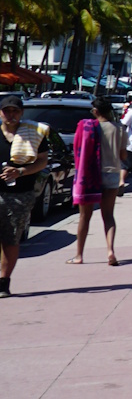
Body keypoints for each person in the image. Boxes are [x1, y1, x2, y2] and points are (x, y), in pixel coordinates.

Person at [1, 93, 51, 298]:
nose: (11, 114)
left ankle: (3, 282)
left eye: (15, 111)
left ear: (21, 113)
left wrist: (20, 171)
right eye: (7, 111)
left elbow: (42, 161)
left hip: (19, 194)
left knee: (11, 239)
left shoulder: (33, 133)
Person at [68, 96, 125, 266]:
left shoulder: (87, 127)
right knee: (108, 215)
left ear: (95, 111)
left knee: (85, 216)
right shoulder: (120, 128)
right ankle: (110, 251)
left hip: (90, 174)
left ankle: (79, 255)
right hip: (112, 174)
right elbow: (123, 155)